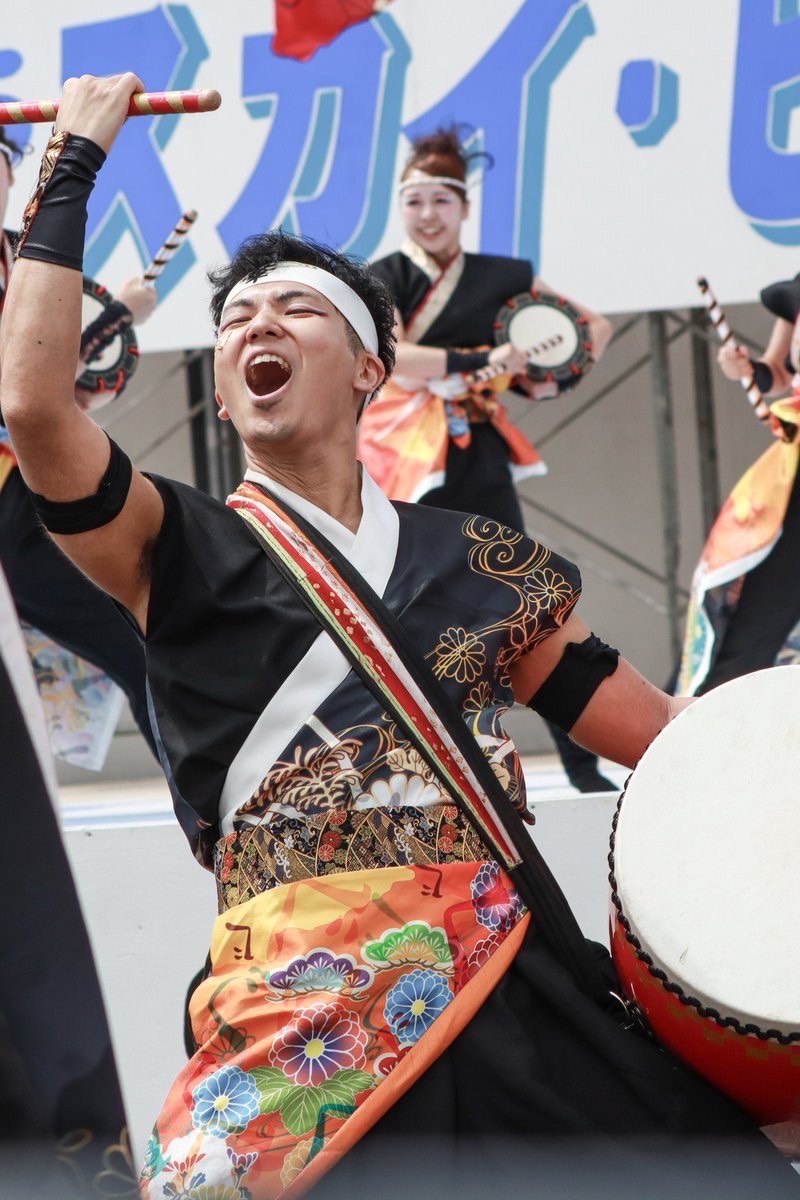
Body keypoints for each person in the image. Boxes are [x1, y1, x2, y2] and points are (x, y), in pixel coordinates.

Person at [2, 74, 797, 1200]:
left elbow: (672, 747)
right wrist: (71, 169)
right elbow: (34, 408)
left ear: (371, 368)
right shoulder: (170, 548)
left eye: (296, 309)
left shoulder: (480, 562)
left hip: (515, 994)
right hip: (297, 1034)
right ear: (222, 394)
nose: (257, 326)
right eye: (235, 322)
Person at [359, 126, 617, 793]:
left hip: (477, 452)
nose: (428, 215)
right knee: (407, 609)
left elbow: (590, 328)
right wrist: (484, 359)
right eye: (414, 201)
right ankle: (422, 767)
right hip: (406, 459)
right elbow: (393, 358)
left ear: (464, 207)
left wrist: (547, 373)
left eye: (441, 201)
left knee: (527, 601)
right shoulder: (382, 276)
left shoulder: (505, 276)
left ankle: (582, 764)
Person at [0, 123, 159, 757]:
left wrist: (118, 322)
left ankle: (208, 801)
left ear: (12, 173)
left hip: (35, 487)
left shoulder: (30, 259)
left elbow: (66, 388)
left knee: (140, 644)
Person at [677, 272, 800, 696]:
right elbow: (777, 371)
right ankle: (708, 708)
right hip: (792, 473)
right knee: (759, 604)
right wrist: (746, 369)